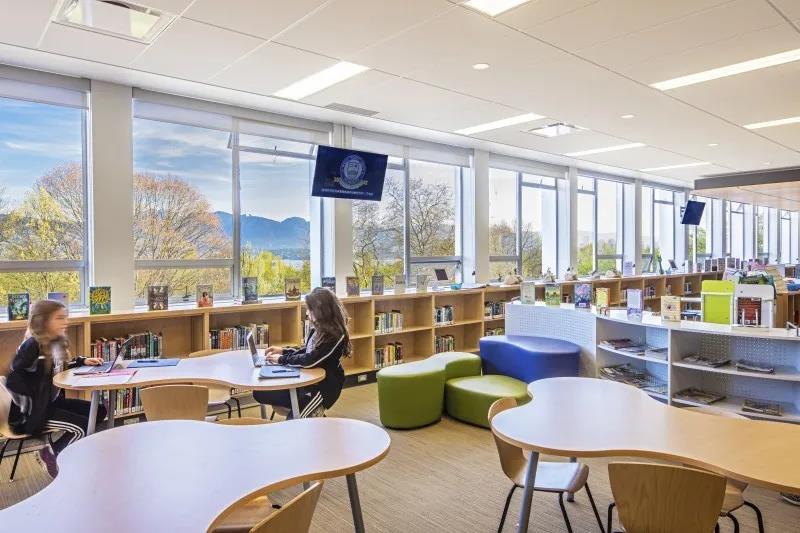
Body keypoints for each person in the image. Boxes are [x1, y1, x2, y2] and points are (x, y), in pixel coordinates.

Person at [4, 299, 106, 478]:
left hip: (50, 404)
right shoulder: (32, 346)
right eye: (59, 318)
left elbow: (58, 367)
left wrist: (82, 361)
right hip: (30, 414)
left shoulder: (54, 343)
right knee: (83, 427)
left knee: (99, 411)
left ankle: (52, 451)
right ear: (43, 321)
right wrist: (34, 402)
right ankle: (55, 456)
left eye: (65, 317)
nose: (65, 322)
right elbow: (13, 380)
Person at [254, 287, 350, 419]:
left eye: (310, 309)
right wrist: (283, 351)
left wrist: (281, 359)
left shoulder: (335, 336)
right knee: (259, 394)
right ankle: (305, 411)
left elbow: (311, 360)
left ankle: (311, 413)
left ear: (320, 311)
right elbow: (307, 351)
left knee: (294, 421)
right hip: (306, 381)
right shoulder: (317, 328)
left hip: (321, 388)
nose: (307, 313)